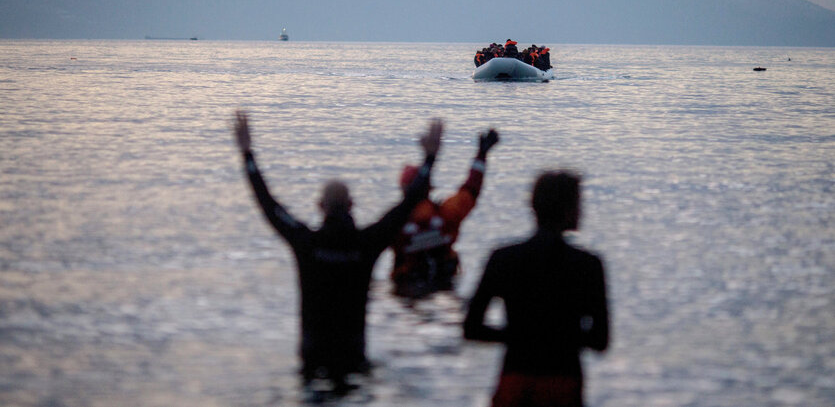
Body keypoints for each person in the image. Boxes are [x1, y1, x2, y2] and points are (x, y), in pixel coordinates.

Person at [232, 111, 442, 392]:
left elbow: (269, 205)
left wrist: (247, 155)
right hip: (354, 357)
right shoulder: (366, 243)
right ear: (352, 205)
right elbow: (406, 206)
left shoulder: (306, 243)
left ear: (320, 207)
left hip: (312, 358)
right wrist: (429, 159)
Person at [464, 171, 609, 407]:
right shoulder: (588, 265)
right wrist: (560, 336)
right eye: (579, 203)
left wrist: (518, 335)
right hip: (563, 384)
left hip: (514, 381)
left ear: (534, 207)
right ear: (569, 210)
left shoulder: (502, 258)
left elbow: (472, 329)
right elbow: (600, 340)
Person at [390, 129, 499, 298]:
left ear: (403, 190)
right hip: (444, 285)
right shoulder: (447, 214)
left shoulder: (394, 224)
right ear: (429, 187)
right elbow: (471, 189)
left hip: (406, 288)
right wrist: (482, 154)